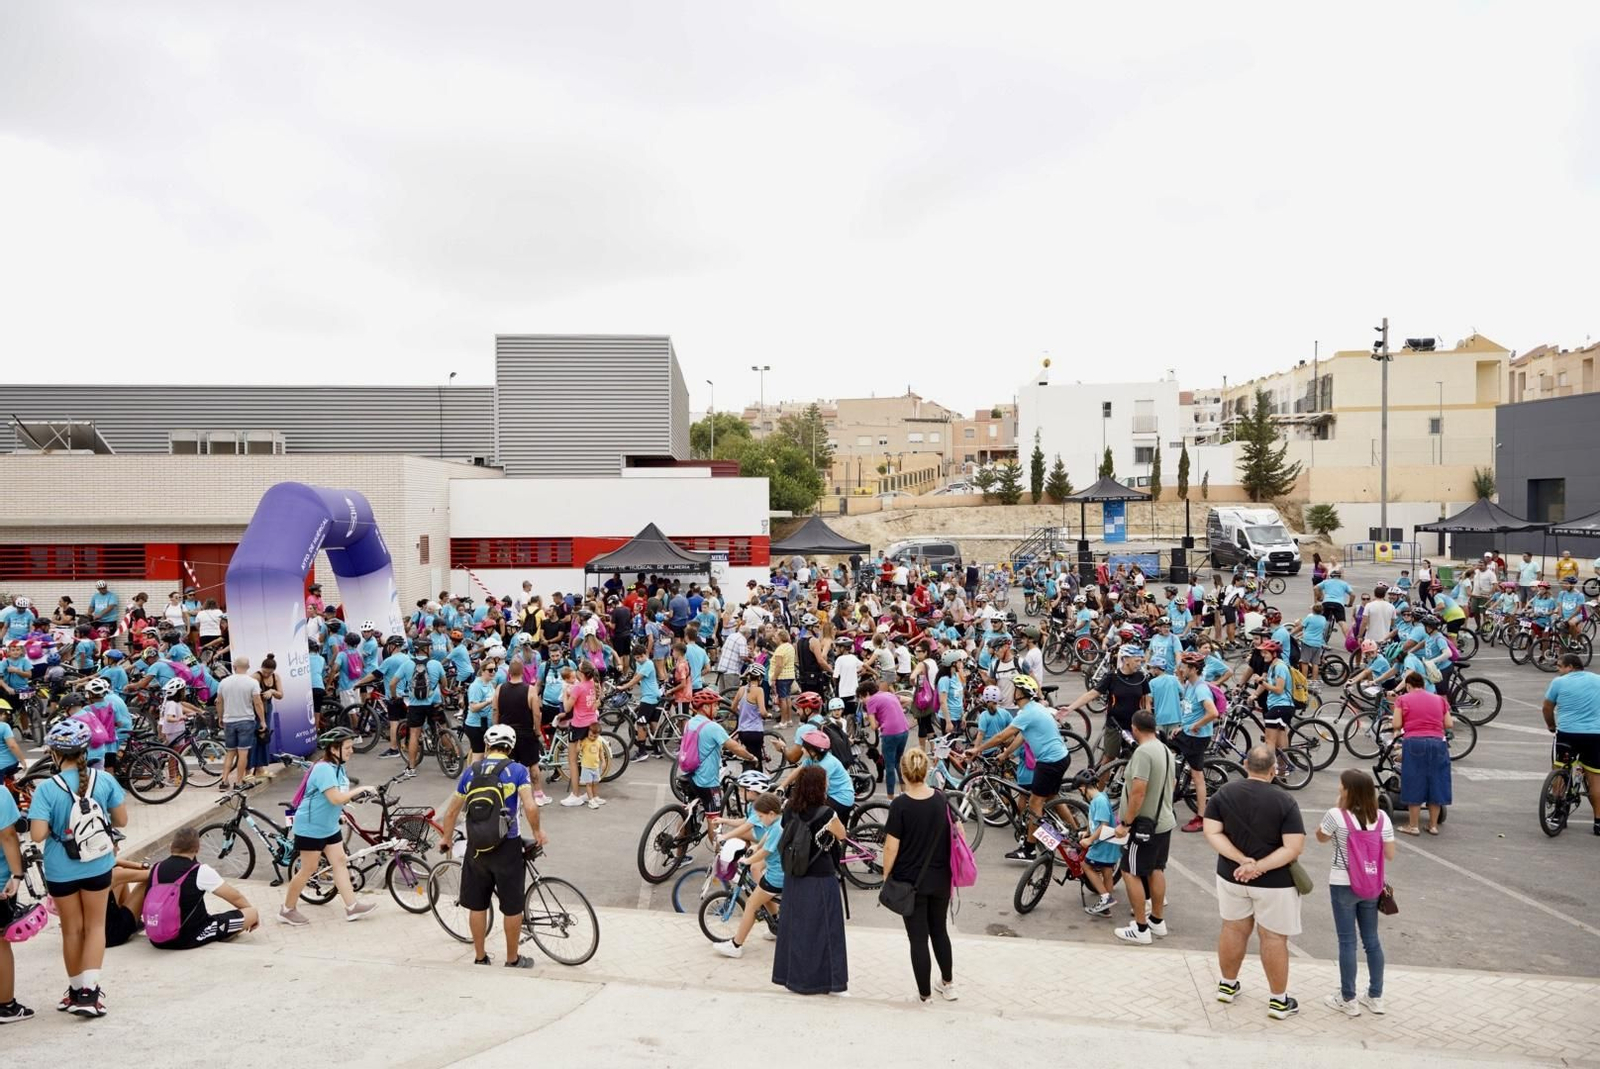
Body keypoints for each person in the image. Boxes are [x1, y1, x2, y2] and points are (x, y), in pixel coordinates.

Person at [27, 718, 129, 1017]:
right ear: (85, 751)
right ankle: (90, 993)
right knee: (96, 927)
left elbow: (37, 835)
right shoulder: (104, 780)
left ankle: (74, 992)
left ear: (55, 754)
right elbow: (122, 821)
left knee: (71, 930)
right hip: (98, 865)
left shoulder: (47, 788)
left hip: (61, 870)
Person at [1202, 744, 1306, 1019]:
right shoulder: (1285, 801)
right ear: (1273, 770)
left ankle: (1227, 985)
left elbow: (1212, 832)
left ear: (1246, 765)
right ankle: (1278, 1001)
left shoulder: (1224, 793)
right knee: (1273, 937)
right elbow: (1293, 847)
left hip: (1231, 876)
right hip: (1276, 883)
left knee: (1233, 928)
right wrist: (1258, 866)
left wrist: (1242, 861)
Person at [435, 724, 547, 967]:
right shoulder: (517, 771)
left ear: (487, 745)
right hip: (508, 845)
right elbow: (530, 806)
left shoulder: (471, 772)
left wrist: (446, 838)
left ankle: (480, 957)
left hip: (476, 846)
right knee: (512, 907)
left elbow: (452, 811)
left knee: (477, 905)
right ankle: (512, 959)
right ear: (510, 747)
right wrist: (537, 831)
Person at [279, 727, 381, 926]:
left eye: (351, 747)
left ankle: (352, 907)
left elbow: (335, 799)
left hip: (328, 826)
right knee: (308, 869)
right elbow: (335, 798)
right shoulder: (324, 769)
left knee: (340, 862)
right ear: (334, 749)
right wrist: (361, 789)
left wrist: (341, 813)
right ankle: (287, 910)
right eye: (347, 747)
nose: (351, 751)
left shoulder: (338, 768)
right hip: (311, 827)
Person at [1314, 769, 1394, 1016]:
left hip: (1343, 882)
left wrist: (1339, 807)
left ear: (1348, 790)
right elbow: (1390, 854)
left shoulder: (1336, 815)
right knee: (1371, 940)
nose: (1339, 788)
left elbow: (1321, 838)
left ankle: (1348, 998)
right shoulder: (1382, 817)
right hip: (1371, 884)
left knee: (1347, 941)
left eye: (1341, 785)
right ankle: (1375, 996)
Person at [972, 674, 1074, 862]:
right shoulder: (1034, 708)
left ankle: (1029, 849)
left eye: (1015, 689)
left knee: (1035, 803)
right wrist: (1005, 754)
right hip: (1061, 757)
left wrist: (977, 749)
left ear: (1020, 693)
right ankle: (1075, 832)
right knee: (1052, 797)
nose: (1012, 692)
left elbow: (1001, 736)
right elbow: (1022, 736)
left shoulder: (1027, 713)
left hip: (1049, 762)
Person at [882, 748, 957, 1003]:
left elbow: (891, 847)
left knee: (918, 939)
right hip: (941, 879)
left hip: (909, 882)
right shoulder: (941, 799)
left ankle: (925, 996)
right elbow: (959, 834)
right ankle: (948, 984)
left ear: (903, 773)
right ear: (926, 772)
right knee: (940, 931)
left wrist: (886, 876)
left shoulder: (900, 805)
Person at [770, 764, 849, 996]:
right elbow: (842, 834)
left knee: (795, 930)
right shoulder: (826, 813)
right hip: (821, 878)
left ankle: (793, 979)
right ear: (819, 786)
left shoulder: (789, 809)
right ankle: (829, 982)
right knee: (826, 932)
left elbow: (786, 829)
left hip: (795, 877)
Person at [1111, 710, 1175, 945]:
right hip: (1164, 821)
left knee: (1130, 871)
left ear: (1135, 728)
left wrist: (1126, 823)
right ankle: (1157, 921)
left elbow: (1138, 791)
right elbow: (1172, 783)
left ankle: (1140, 928)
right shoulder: (1165, 749)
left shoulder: (1143, 753)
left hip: (1144, 826)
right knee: (1156, 869)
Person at [146, 826, 260, 949]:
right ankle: (222, 933)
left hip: (156, 938)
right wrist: (251, 915)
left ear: (171, 846)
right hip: (187, 938)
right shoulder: (199, 870)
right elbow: (235, 896)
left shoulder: (156, 868)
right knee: (251, 913)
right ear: (197, 849)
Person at [1541, 654, 1600, 835]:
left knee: (1559, 769)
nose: (1558, 670)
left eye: (1560, 666)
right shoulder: (1598, 680)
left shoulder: (1559, 682)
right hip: (1594, 735)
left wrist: (1551, 725)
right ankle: (1598, 821)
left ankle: (1558, 813)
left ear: (1570, 667)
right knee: (1595, 778)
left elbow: (1547, 707)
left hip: (1567, 734)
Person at [1391, 671, 1452, 835]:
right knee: (1437, 781)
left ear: (1408, 686)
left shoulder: (1402, 699)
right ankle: (1433, 825)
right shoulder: (1439, 699)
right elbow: (1448, 723)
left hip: (1414, 743)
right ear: (1424, 685)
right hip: (1438, 743)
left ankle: (1413, 825)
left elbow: (1396, 724)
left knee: (1415, 781)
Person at [215, 656, 263, 790]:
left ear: (234, 667)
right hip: (246, 720)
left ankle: (224, 780)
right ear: (248, 667)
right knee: (243, 753)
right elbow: (258, 703)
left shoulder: (224, 682)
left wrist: (220, 717)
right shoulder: (252, 682)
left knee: (230, 752)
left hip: (229, 720)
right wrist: (263, 721)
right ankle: (239, 782)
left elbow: (219, 701)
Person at [860, 679, 911, 797]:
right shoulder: (888, 694)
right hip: (904, 730)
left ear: (867, 693)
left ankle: (890, 798)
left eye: (862, 698)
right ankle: (905, 792)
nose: (862, 701)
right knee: (898, 762)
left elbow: (873, 726)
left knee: (889, 766)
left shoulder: (870, 701)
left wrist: (875, 719)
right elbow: (909, 699)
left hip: (890, 733)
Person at [576, 722, 609, 809]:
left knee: (595, 783)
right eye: (591, 735)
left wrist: (603, 761)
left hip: (595, 767)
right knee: (589, 784)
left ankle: (595, 797)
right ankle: (591, 800)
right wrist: (579, 740)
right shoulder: (585, 741)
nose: (592, 738)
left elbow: (601, 752)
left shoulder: (599, 741)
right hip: (586, 767)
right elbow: (578, 750)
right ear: (588, 732)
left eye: (595, 736)